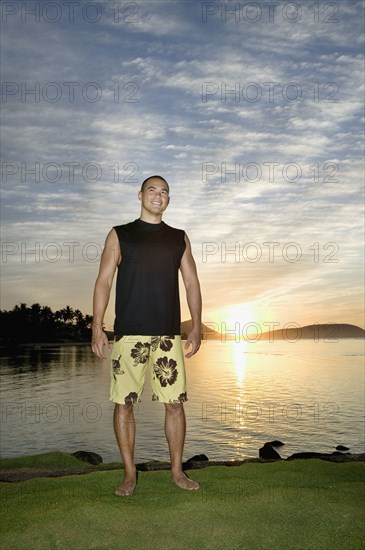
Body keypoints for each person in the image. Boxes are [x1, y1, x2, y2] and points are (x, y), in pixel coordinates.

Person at [91, 175, 202, 496]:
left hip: (168, 335)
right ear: (140, 195)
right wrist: (97, 326)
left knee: (175, 405)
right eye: (152, 190)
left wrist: (196, 324)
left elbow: (192, 283)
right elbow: (103, 281)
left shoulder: (179, 237)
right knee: (124, 404)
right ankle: (129, 474)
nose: (159, 195)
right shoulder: (119, 234)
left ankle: (177, 471)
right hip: (128, 337)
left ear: (169, 199)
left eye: (165, 191)